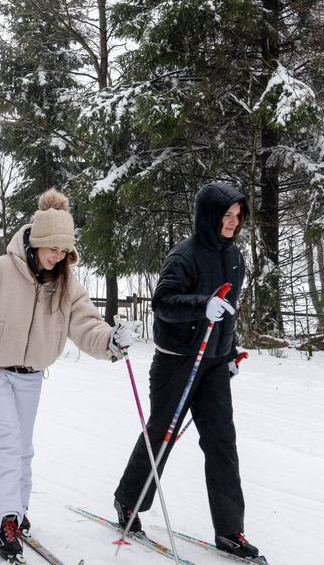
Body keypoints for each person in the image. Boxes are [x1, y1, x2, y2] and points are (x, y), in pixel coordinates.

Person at [0, 188, 134, 562]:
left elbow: (87, 324)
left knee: (22, 446)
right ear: (37, 241)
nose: (57, 256)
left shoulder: (66, 284)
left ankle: (16, 508)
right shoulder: (1, 271)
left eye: (64, 250)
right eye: (52, 248)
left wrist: (111, 342)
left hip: (31, 375)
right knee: (6, 442)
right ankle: (4, 517)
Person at [111, 182, 259, 560]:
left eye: (237, 216)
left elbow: (227, 311)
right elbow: (163, 302)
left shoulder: (235, 257)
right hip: (177, 360)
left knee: (222, 444)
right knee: (162, 434)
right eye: (226, 216)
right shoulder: (184, 255)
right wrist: (201, 304)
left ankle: (230, 530)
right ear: (209, 217)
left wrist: (229, 351)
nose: (233, 222)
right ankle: (128, 501)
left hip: (213, 363)